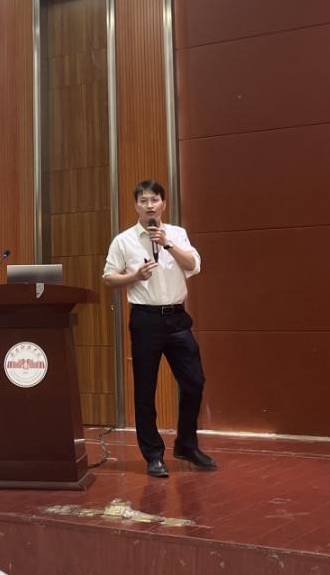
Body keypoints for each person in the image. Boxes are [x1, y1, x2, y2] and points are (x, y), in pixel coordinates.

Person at [102, 180, 217, 478]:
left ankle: (186, 444)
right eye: (143, 200)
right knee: (145, 390)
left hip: (177, 319)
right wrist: (134, 276)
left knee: (194, 382)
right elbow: (109, 278)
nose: (149, 205)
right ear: (136, 206)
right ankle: (153, 454)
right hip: (145, 320)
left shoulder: (177, 234)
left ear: (163, 204)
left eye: (154, 199)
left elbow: (193, 265)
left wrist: (168, 244)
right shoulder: (123, 240)